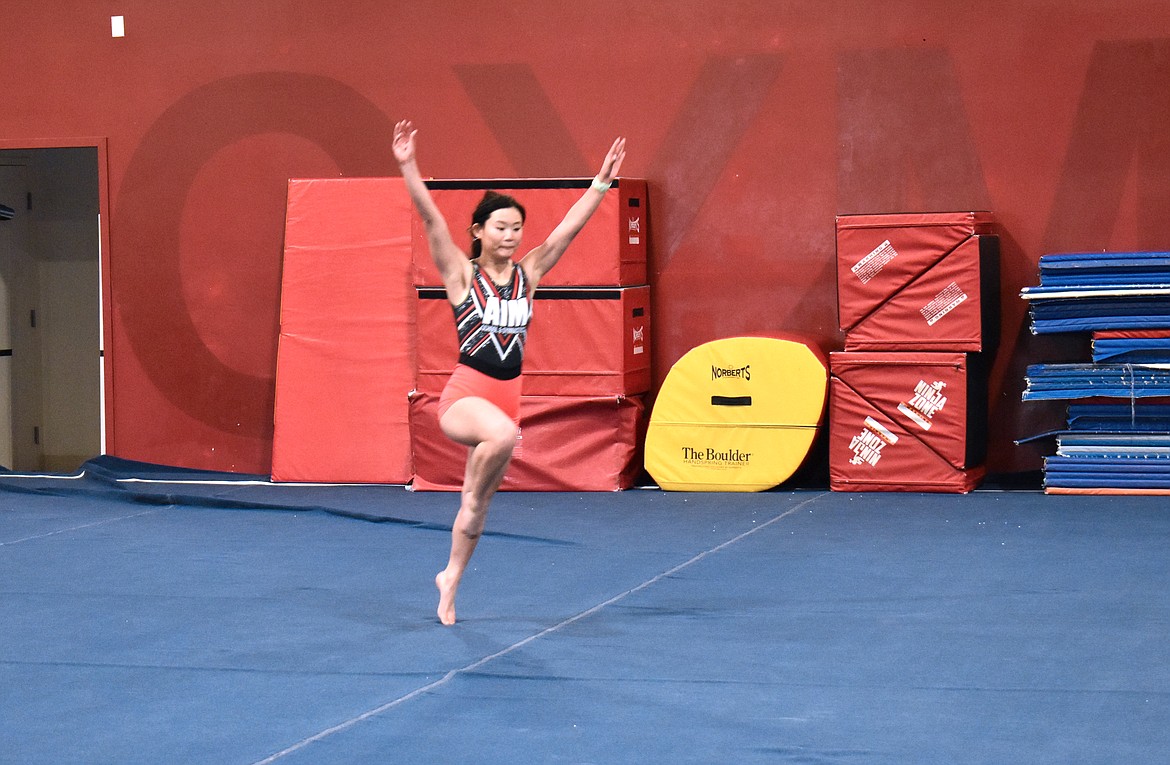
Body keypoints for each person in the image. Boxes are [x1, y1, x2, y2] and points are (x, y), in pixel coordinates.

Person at [393, 120, 626, 625]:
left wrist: (601, 185)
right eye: (500, 227)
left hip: (507, 399)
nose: (510, 236)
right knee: (503, 435)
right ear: (478, 231)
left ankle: (450, 578)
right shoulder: (461, 275)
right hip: (464, 399)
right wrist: (409, 166)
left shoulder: (530, 274)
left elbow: (569, 229)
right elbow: (432, 221)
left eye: (516, 228)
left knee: (477, 507)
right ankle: (471, 489)